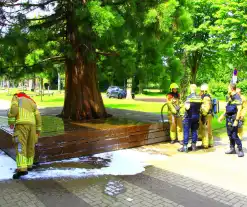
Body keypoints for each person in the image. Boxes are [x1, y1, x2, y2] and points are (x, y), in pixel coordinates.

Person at [8, 91, 42, 179]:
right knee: (30, 146)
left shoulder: (16, 97)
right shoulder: (31, 101)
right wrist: (38, 130)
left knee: (20, 145)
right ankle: (29, 165)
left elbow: (14, 109)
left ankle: (22, 169)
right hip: (33, 126)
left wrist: (11, 121)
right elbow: (38, 116)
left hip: (21, 124)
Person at [218, 84, 244, 157]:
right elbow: (227, 109)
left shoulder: (237, 97)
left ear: (232, 89)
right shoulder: (230, 97)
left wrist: (236, 120)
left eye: (228, 88)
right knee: (229, 135)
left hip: (234, 118)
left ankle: (240, 150)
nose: (227, 89)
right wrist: (222, 116)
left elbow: (239, 110)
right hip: (228, 118)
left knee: (234, 135)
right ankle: (232, 149)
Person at [178, 84, 202, 152]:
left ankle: (185, 147)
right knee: (194, 131)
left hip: (189, 117)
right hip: (196, 116)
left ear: (191, 89)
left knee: (186, 131)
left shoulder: (189, 97)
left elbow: (187, 107)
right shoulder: (199, 97)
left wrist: (185, 104)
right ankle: (193, 146)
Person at [199, 84, 213, 148]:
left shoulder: (205, 98)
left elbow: (206, 108)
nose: (200, 92)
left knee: (205, 130)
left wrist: (203, 114)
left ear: (204, 91)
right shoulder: (209, 96)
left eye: (201, 91)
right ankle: (210, 143)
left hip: (206, 115)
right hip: (209, 115)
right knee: (209, 129)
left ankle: (205, 144)